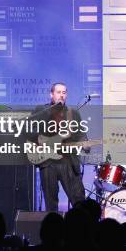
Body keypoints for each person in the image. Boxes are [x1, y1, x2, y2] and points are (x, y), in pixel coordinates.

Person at [28, 82, 86, 212]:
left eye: (64, 93)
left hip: (68, 162)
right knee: (51, 203)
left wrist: (85, 145)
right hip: (48, 163)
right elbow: (29, 131)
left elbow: (81, 134)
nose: (61, 95)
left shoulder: (73, 113)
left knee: (79, 200)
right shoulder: (41, 111)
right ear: (51, 94)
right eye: (58, 92)